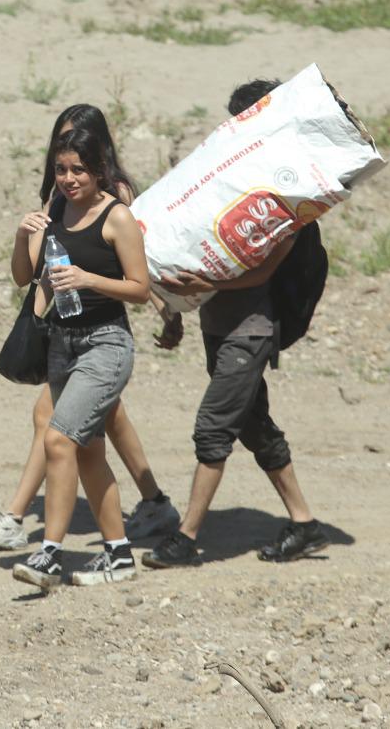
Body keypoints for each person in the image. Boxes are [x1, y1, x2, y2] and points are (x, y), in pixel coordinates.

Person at [0, 104, 178, 552]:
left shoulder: (112, 199)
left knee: (57, 426)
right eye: (59, 157)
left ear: (97, 156)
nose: (66, 171)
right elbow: (39, 264)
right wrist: (26, 245)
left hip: (103, 334)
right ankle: (147, 510)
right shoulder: (60, 197)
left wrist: (164, 309)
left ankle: (20, 520)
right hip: (66, 332)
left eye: (76, 156)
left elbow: (134, 264)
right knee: (98, 432)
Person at [142, 79, 327, 571]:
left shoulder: (289, 199)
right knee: (255, 427)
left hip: (250, 332)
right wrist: (173, 308)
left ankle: (185, 539)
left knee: (213, 430)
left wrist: (204, 284)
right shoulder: (228, 183)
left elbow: (263, 271)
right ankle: (305, 523)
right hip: (219, 326)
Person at [10, 127, 153, 589]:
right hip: (61, 343)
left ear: (99, 172)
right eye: (61, 170)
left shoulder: (117, 217)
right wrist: (20, 237)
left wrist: (89, 279)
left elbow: (140, 289)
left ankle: (49, 552)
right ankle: (118, 554)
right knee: (88, 450)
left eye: (78, 170)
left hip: (105, 344)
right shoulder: (55, 211)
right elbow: (26, 278)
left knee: (57, 441)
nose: (69, 179)